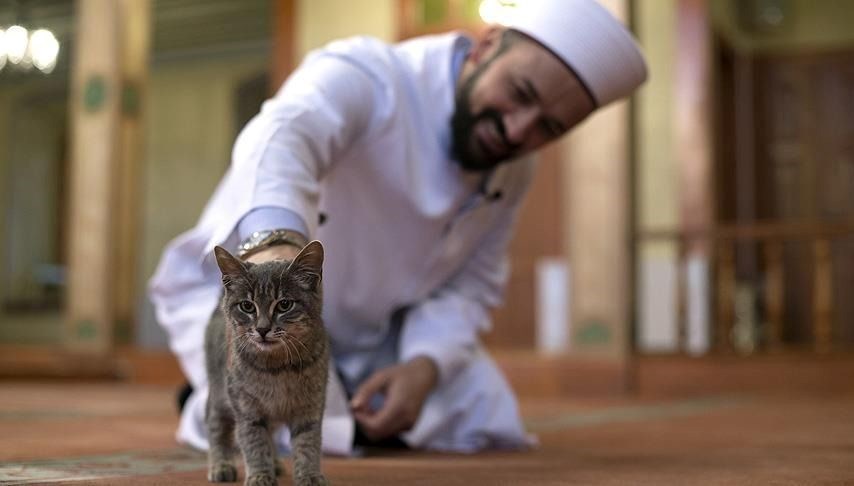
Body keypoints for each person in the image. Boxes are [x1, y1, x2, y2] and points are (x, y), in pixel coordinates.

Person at [149, 0, 647, 455]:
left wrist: (423, 367)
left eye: (549, 127)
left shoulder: (515, 168)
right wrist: (274, 249)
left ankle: (346, 404)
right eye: (520, 93)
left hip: (371, 339)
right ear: (487, 46)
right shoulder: (370, 74)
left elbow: (469, 286)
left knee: (482, 406)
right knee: (268, 413)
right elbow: (284, 137)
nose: (519, 130)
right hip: (258, 308)